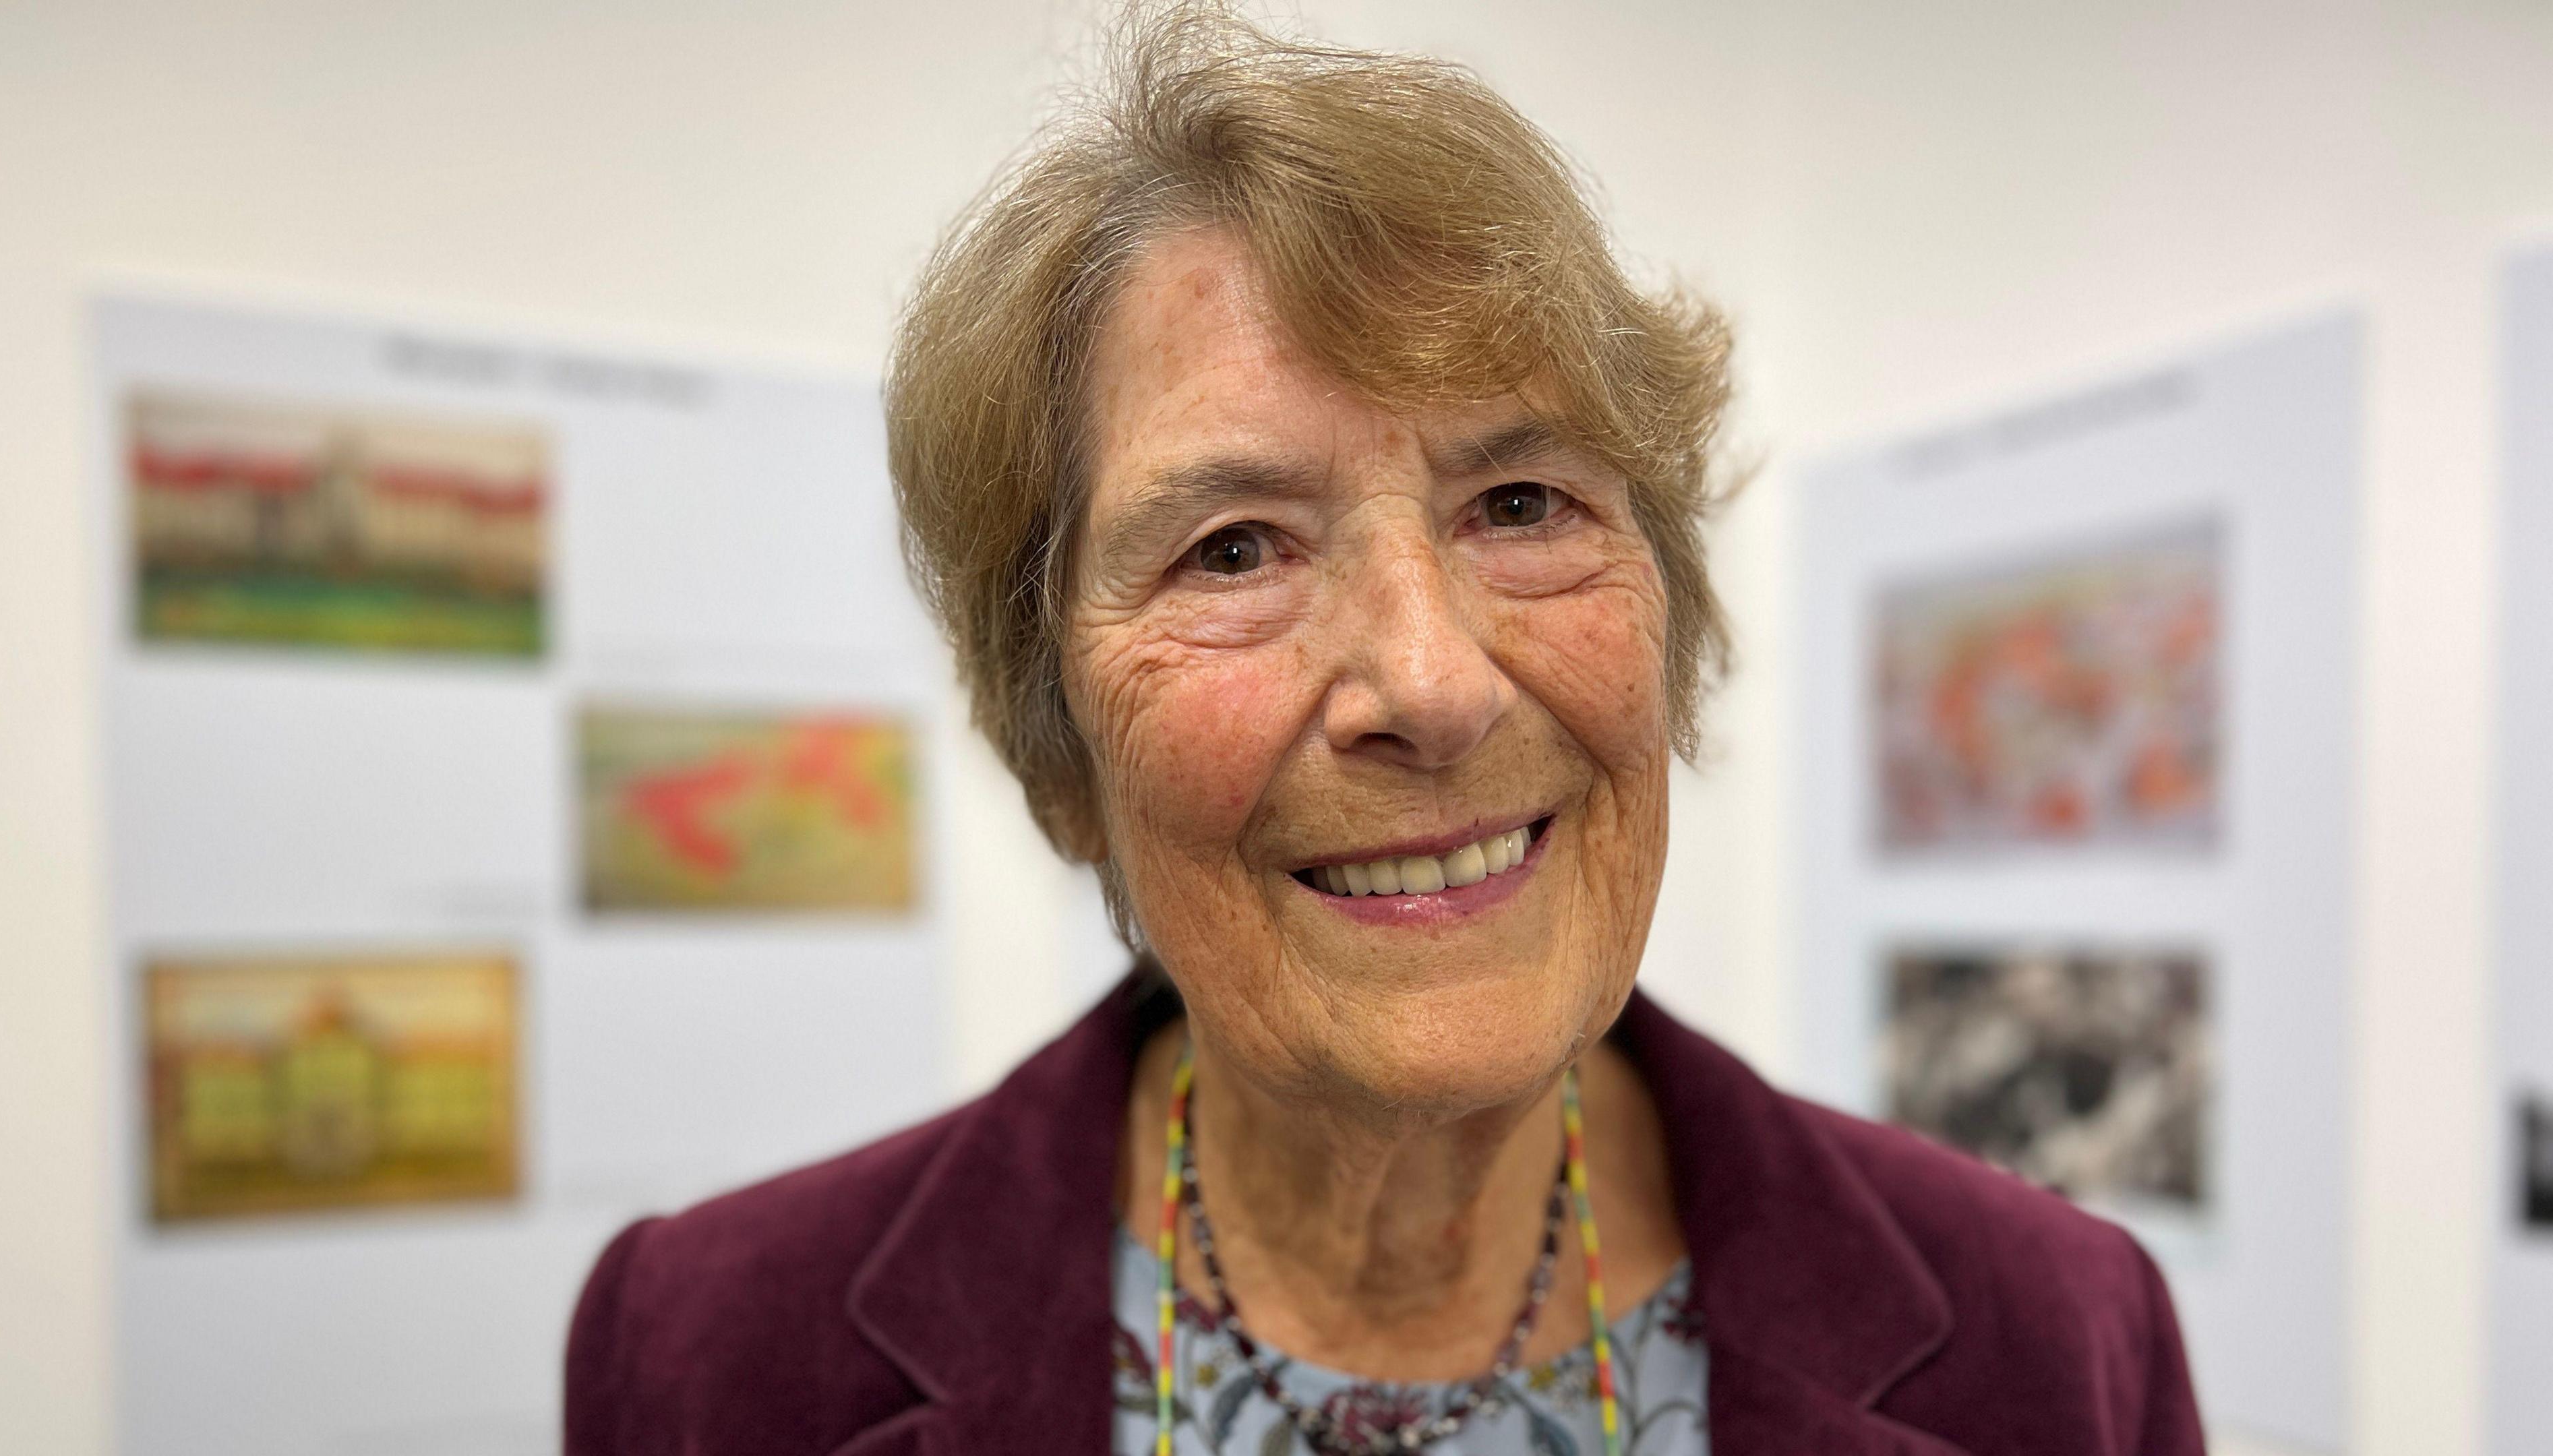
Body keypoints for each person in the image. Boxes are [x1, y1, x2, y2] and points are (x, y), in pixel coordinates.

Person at [564, 7, 2202, 1453]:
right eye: (1235, 548)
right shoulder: (716, 1360)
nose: (1432, 683)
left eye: (1521, 502)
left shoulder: (2053, 1348)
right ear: (1056, 727)